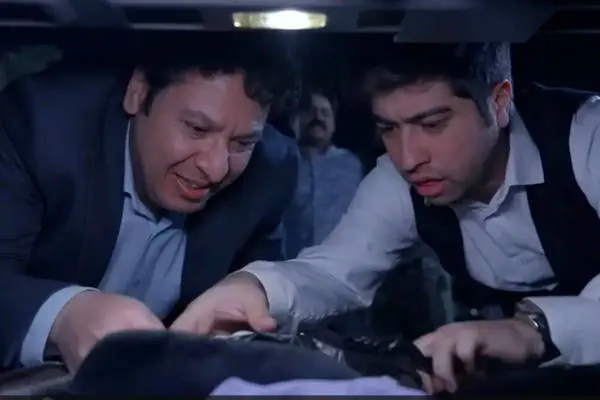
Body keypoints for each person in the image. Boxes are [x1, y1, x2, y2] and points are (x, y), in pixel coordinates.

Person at [170, 42, 600, 394]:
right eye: (389, 129)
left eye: (432, 124)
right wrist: (254, 288)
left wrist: (532, 330)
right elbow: (337, 270)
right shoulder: (397, 183)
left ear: (500, 101)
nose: (408, 158)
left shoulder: (588, 138)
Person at [0, 35, 299, 372]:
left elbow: (263, 293)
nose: (216, 168)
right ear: (138, 92)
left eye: (242, 143)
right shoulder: (38, 128)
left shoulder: (270, 170)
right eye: (197, 129)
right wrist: (62, 316)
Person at [283, 88, 363, 257]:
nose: (317, 117)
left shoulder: (352, 165)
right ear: (293, 120)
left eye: (325, 113)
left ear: (334, 124)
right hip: (286, 264)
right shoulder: (280, 161)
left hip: (340, 263)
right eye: (309, 111)